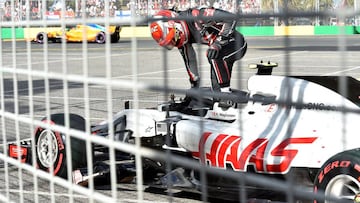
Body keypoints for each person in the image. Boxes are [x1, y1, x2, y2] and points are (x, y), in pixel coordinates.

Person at [149, 7, 247, 104]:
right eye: (171, 42)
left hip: (236, 43)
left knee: (213, 56)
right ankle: (224, 100)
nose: (175, 42)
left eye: (174, 38)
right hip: (221, 50)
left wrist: (218, 43)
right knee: (216, 95)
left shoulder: (197, 15)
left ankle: (226, 97)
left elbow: (231, 18)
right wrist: (194, 87)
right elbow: (189, 60)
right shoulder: (181, 40)